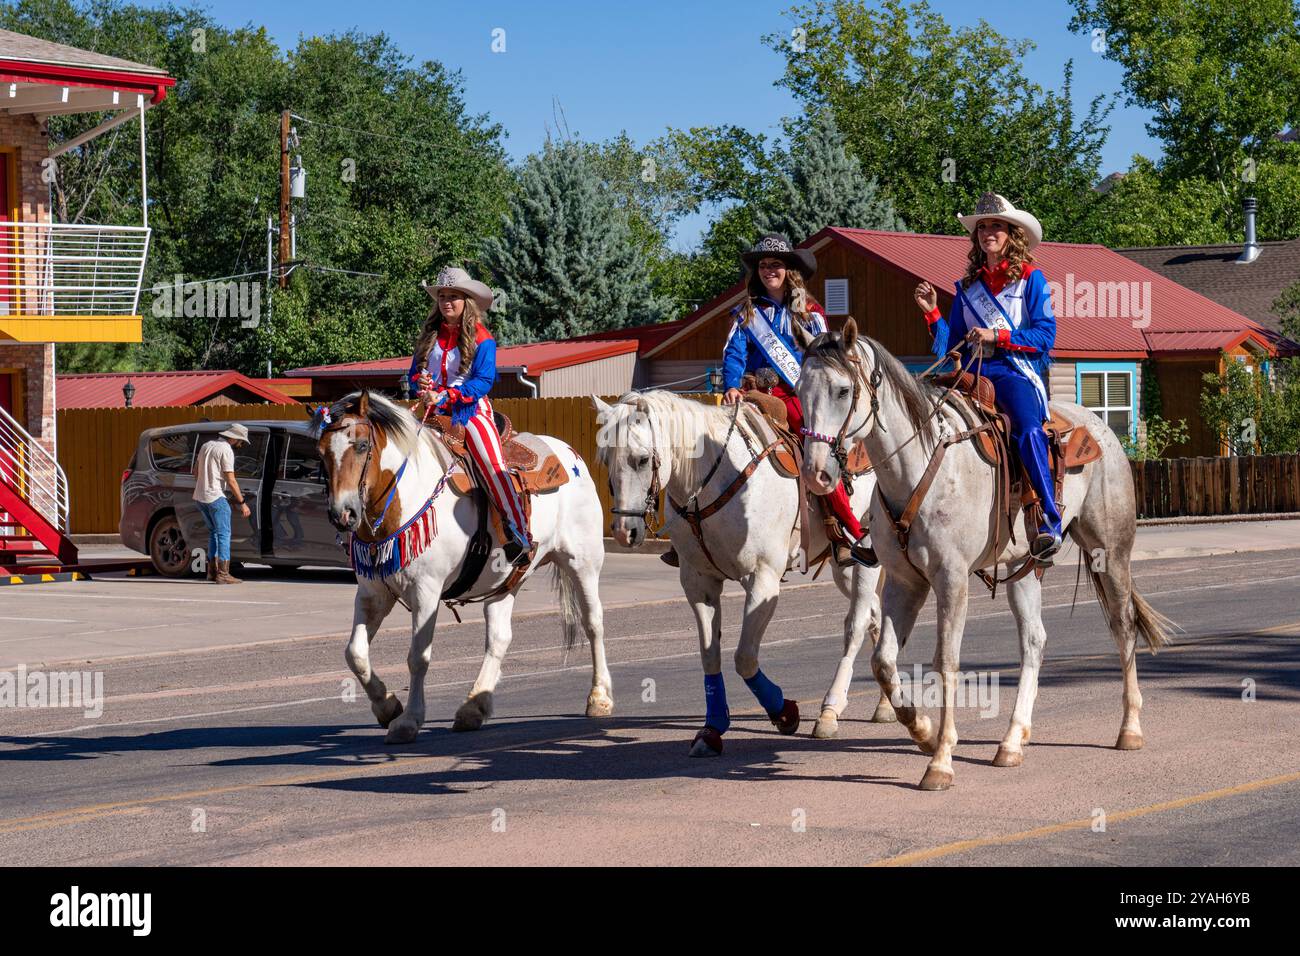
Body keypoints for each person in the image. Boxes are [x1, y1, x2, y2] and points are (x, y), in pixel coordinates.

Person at [662, 233, 875, 569]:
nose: (769, 270)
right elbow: (733, 353)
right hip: (753, 394)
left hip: (795, 397)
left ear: (789, 270)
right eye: (763, 265)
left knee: (814, 454)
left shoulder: (811, 313)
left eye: (775, 264)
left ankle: (843, 531)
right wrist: (732, 384)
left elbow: (823, 358)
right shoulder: (746, 313)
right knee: (708, 445)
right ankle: (687, 531)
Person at [913, 192, 1062, 562]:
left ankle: (1047, 516)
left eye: (996, 225)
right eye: (982, 227)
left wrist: (999, 336)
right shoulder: (967, 289)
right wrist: (933, 314)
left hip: (1014, 372)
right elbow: (955, 346)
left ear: (1012, 234)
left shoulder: (1032, 279)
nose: (988, 232)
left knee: (1027, 429)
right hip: (974, 371)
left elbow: (1046, 336)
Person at [407, 266, 532, 567]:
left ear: (467, 301)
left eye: (453, 296)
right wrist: (419, 383)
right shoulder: (429, 336)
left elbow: (484, 381)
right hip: (430, 410)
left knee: (492, 464)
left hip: (469, 411)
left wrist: (449, 395)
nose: (446, 302)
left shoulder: (482, 338)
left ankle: (518, 533)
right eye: (442, 296)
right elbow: (413, 374)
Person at [193, 423, 251, 584]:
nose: (241, 443)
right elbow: (230, 479)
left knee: (213, 533)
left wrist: (204, 483)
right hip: (216, 497)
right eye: (240, 440)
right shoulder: (226, 450)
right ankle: (224, 574)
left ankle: (211, 572)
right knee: (224, 534)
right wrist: (242, 502)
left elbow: (195, 472)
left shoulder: (206, 445)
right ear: (233, 438)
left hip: (200, 497)